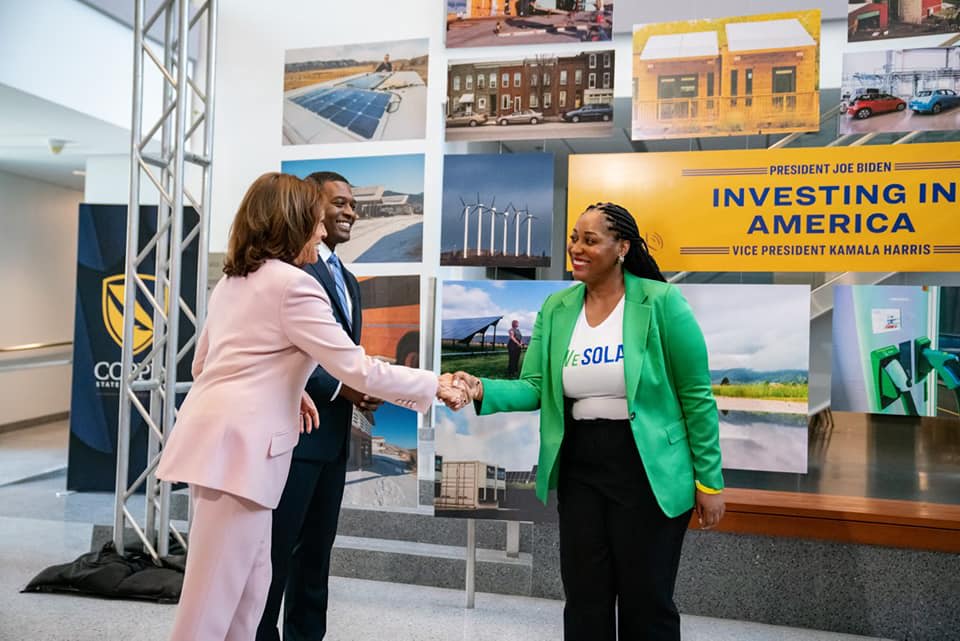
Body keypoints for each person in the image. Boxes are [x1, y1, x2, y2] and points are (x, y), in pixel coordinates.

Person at [157, 172, 465, 641]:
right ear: (292, 222)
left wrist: (290, 387)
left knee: (250, 594)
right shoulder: (291, 285)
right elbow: (356, 369)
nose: (323, 234)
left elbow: (208, 363)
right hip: (241, 459)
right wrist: (435, 385)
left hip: (226, 455)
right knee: (210, 609)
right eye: (316, 223)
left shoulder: (234, 281)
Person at [452, 202, 725, 641]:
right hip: (581, 465)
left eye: (589, 240)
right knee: (584, 597)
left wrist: (709, 483)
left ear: (622, 248)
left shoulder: (662, 303)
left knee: (646, 600)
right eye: (574, 239)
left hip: (647, 468)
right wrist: (480, 388)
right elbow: (535, 386)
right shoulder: (558, 308)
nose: (576, 248)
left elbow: (697, 398)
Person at [255, 172, 371, 641]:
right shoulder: (292, 270)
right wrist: (348, 388)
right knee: (275, 555)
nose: (349, 212)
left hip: (333, 440)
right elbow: (292, 351)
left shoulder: (347, 278)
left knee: (316, 557)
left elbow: (342, 354)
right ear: (310, 207)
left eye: (352, 204)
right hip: (295, 437)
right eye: (338, 202)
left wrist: (360, 389)